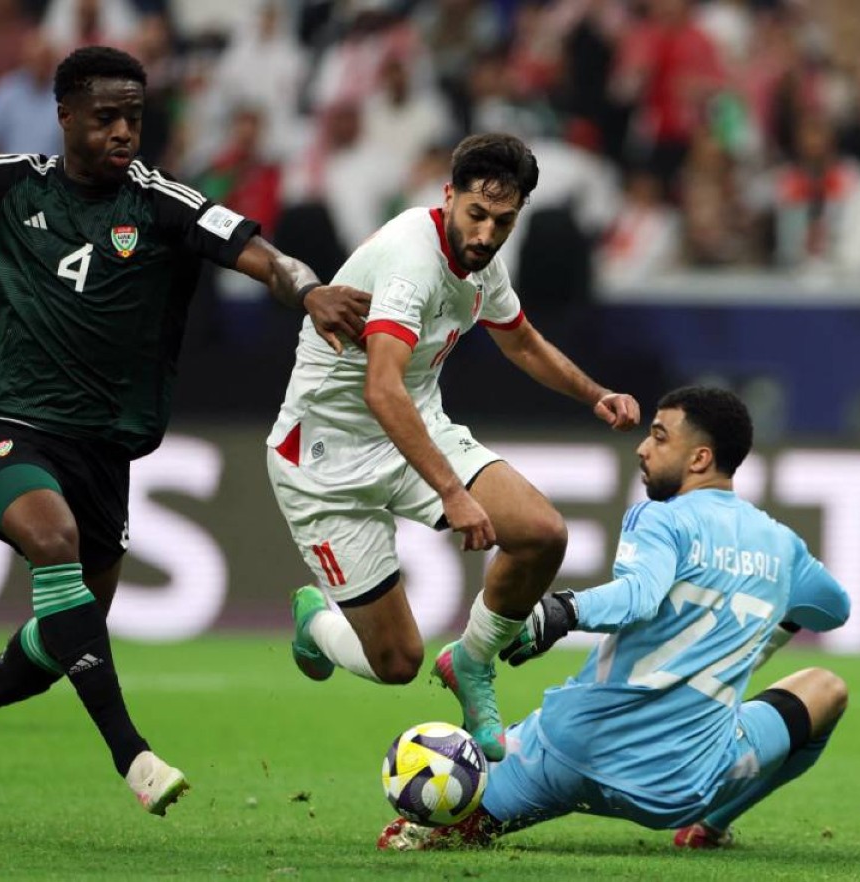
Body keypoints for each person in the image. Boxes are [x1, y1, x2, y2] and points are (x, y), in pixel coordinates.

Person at [0, 23, 370, 815]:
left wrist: (309, 290)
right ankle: (133, 756)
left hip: (104, 452)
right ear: (64, 116)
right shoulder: (6, 183)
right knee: (52, 542)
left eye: (134, 116)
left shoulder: (161, 204)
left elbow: (263, 256)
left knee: (68, 636)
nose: (124, 131)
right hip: (7, 422)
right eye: (105, 117)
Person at [267, 132, 642, 763]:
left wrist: (594, 393)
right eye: (477, 214)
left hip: (414, 427)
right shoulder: (411, 262)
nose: (488, 233)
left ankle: (471, 662)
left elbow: (520, 340)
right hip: (325, 462)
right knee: (395, 662)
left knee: (542, 534)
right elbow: (381, 389)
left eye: (504, 221)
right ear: (448, 197)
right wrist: (451, 492)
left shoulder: (480, 260)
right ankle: (318, 624)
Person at [378, 386, 851, 851]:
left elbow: (638, 597)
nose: (643, 449)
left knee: (419, 837)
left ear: (700, 459)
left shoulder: (663, 518)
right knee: (827, 688)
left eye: (660, 437)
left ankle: (450, 824)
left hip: (565, 756)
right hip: (677, 786)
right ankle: (709, 828)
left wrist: (560, 611)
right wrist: (776, 622)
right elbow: (834, 609)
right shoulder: (784, 548)